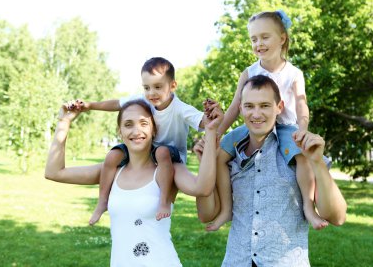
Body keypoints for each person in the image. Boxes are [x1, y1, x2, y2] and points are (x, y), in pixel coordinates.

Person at [45, 98, 223, 266]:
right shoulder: (113, 170)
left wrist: (210, 132)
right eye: (128, 125)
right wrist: (64, 122)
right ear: (120, 132)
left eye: (143, 123)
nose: (136, 131)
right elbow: (54, 172)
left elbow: (203, 188)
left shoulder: (168, 169)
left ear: (154, 130)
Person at [195, 75, 347, 267]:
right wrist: (205, 165)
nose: (256, 114)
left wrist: (317, 162)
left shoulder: (296, 150)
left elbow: (338, 217)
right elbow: (206, 215)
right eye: (249, 106)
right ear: (240, 108)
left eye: (265, 105)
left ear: (279, 107)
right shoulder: (231, 154)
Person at [212, 10, 326, 231]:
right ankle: (226, 209)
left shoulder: (293, 73)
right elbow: (236, 106)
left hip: (285, 127)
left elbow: (301, 103)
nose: (258, 43)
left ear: (282, 38)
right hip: (252, 125)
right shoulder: (249, 72)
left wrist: (302, 129)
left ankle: (309, 208)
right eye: (254, 39)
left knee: (301, 157)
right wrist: (218, 133)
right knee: (219, 156)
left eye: (265, 37)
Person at [71, 57, 206, 224]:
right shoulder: (144, 100)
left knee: (162, 152)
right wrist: (90, 105)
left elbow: (204, 122)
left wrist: (212, 116)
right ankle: (102, 202)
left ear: (172, 86)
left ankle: (163, 201)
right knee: (112, 156)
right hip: (146, 148)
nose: (151, 93)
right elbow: (117, 104)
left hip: (170, 154)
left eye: (158, 87)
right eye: (147, 87)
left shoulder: (180, 108)